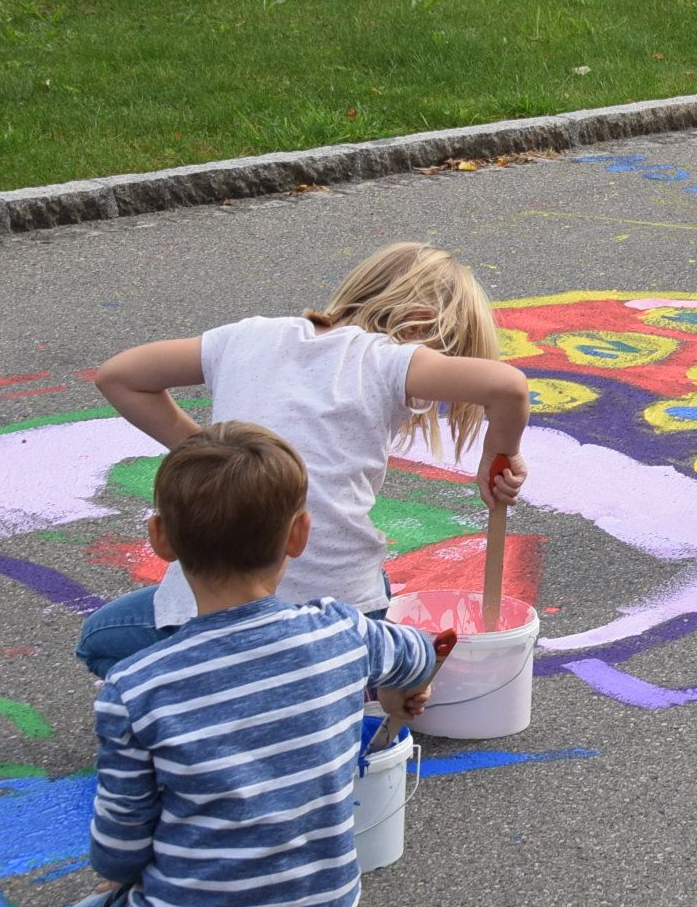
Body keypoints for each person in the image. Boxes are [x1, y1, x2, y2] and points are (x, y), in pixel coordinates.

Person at [39, 422, 446, 907]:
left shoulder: (135, 688)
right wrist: (410, 686)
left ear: (160, 539)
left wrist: (120, 883)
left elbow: (119, 846)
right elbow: (419, 653)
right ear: (299, 535)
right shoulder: (342, 633)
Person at [82, 244, 534, 677]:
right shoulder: (388, 359)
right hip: (336, 614)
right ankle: (334, 682)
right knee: (373, 596)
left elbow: (119, 375)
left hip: (203, 613)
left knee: (99, 639)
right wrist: (500, 452)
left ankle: (206, 685)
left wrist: (213, 453)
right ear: (418, 325)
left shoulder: (247, 335)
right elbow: (508, 386)